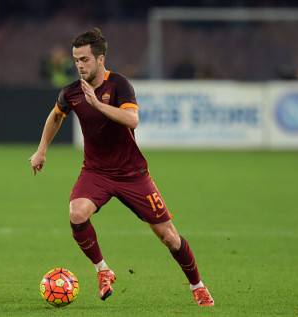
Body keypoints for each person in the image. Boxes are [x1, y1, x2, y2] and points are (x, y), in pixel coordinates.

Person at [29, 28, 214, 306]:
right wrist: (41, 149)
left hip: (132, 175)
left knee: (169, 237)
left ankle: (197, 286)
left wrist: (98, 105)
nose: (79, 65)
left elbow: (131, 120)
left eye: (84, 59)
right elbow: (56, 116)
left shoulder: (119, 85)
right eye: (76, 59)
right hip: (96, 172)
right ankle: (103, 270)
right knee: (77, 212)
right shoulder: (71, 92)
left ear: (100, 59)